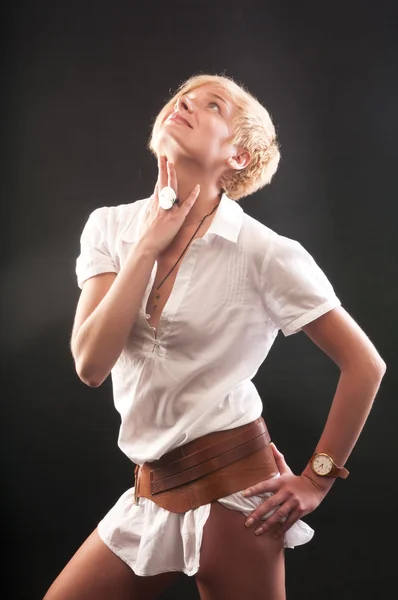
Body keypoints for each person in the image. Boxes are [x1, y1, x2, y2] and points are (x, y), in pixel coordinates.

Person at [43, 73, 386, 600]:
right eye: (183, 96)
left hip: (235, 487)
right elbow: (90, 364)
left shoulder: (264, 251)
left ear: (238, 158)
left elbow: (366, 365)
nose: (185, 102)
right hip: (150, 487)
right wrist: (146, 248)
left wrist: (317, 479)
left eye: (213, 105)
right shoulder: (109, 228)